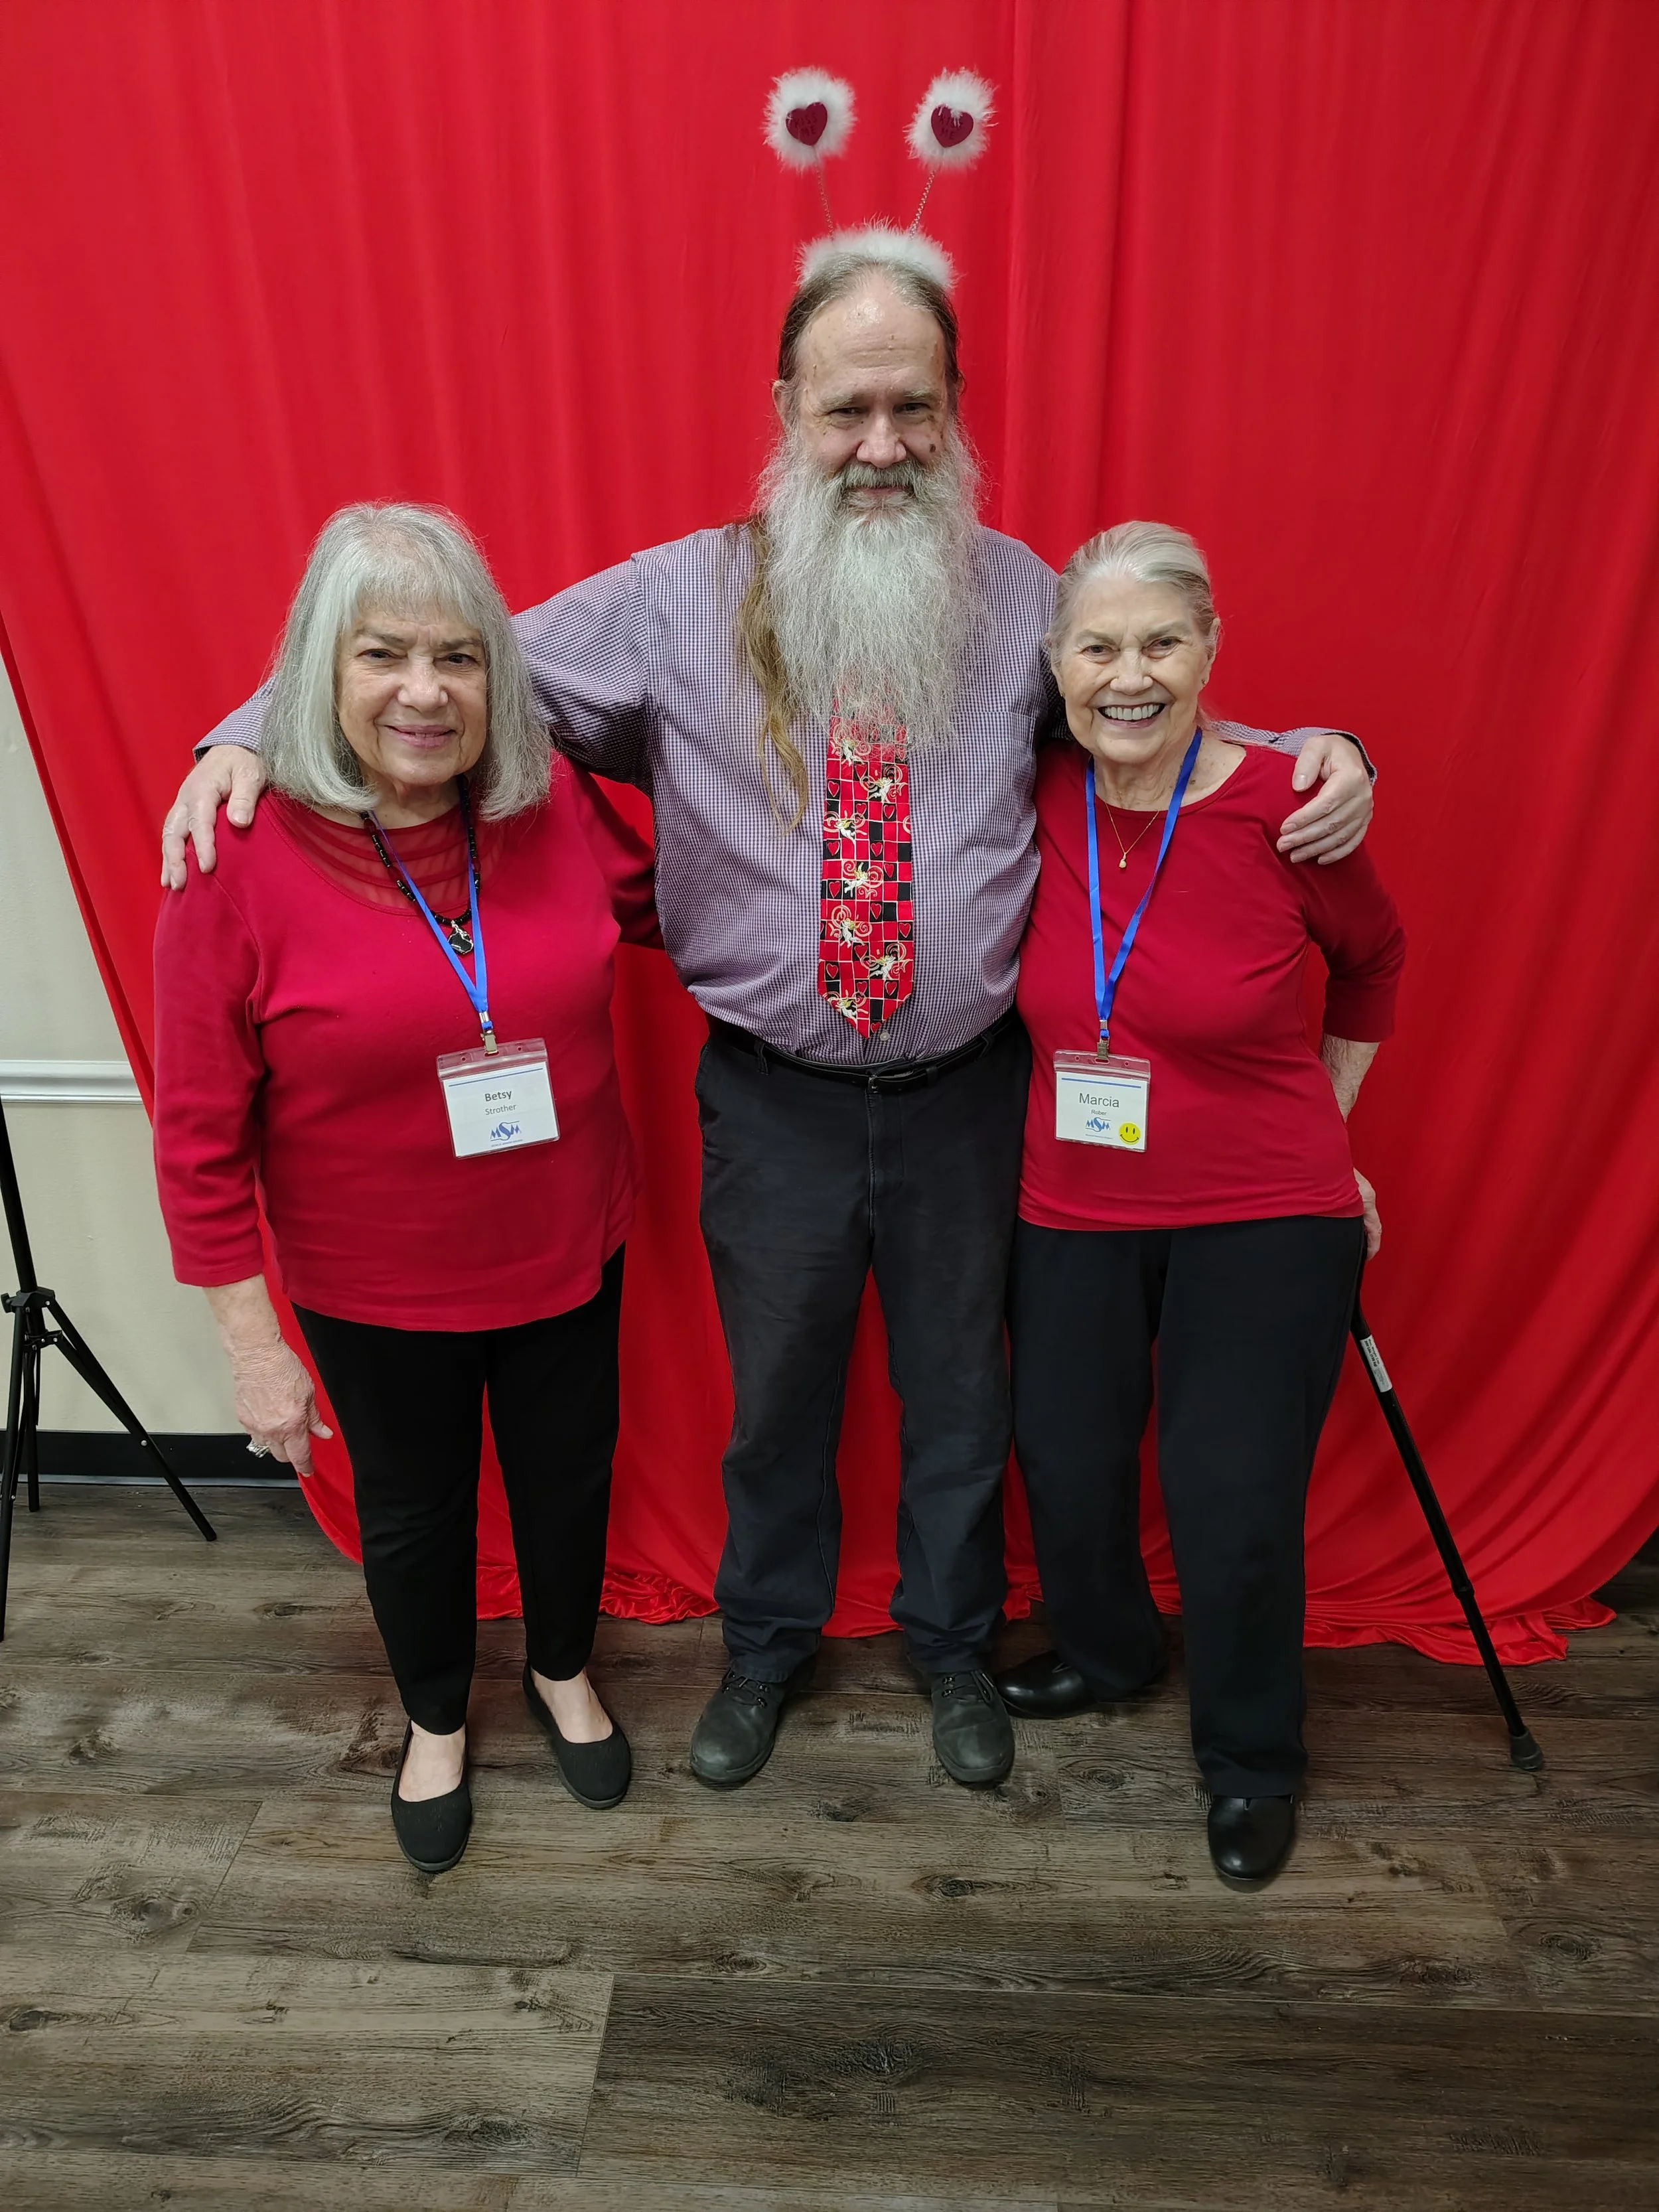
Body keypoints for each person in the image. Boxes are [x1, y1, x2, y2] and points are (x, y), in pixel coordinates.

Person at [160, 232, 1376, 1795]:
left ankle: (947, 1648)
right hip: (773, 1097)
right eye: (845, 408)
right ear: (784, 409)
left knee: (958, 1396)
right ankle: (766, 1649)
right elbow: (442, 675)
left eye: (912, 408)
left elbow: (1144, 706)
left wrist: (1317, 747)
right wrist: (235, 734)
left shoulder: (1017, 596)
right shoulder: (669, 603)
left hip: (966, 1092)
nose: (881, 445)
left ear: (952, 413)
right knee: (777, 1395)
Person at [153, 503, 659, 1874]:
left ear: (498, 673)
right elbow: (198, 1138)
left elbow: (686, 899)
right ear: (319, 672)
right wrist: (254, 1353)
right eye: (382, 653)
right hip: (376, 1282)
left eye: (457, 656)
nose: (424, 692)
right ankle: (436, 1714)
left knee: (566, 1482)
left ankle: (561, 1670)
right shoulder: (235, 857)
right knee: (415, 1509)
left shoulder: (549, 802)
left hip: (568, 1243)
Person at [993, 521, 1404, 1887]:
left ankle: (1249, 1756)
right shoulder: (1032, 785)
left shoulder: (1290, 800)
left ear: (1210, 650)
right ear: (1053, 663)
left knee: (1228, 1496)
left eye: (1159, 642)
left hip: (1262, 1216)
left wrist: (1323, 1130)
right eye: (1096, 646)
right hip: (1071, 1202)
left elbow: (1374, 963)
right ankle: (1108, 1654)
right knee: (1062, 1456)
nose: (1128, 674)